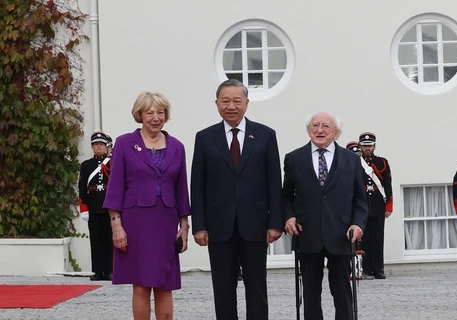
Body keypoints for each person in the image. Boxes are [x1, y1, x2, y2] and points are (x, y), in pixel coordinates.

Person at [190, 79, 283, 320]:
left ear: (247, 103)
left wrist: (276, 223)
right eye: (225, 101)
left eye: (237, 101)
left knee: (256, 289)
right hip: (218, 227)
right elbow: (197, 185)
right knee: (223, 290)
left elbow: (274, 182)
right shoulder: (204, 137)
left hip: (256, 225)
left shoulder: (265, 135)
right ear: (217, 104)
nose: (231, 106)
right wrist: (199, 226)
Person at [103, 91, 190, 320]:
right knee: (141, 283)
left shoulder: (177, 147)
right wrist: (116, 225)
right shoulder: (124, 143)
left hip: (166, 222)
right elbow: (115, 188)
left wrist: (184, 226)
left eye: (160, 112)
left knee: (165, 282)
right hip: (135, 222)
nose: (155, 117)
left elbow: (182, 190)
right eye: (149, 113)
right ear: (139, 115)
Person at [283, 111, 368, 320]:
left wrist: (357, 225)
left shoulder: (351, 160)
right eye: (315, 125)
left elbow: (360, 200)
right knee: (311, 292)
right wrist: (288, 217)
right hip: (307, 233)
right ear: (308, 130)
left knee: (342, 291)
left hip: (341, 234)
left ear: (336, 132)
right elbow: (285, 197)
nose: (319, 130)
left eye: (326, 126)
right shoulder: (294, 158)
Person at [78, 131, 113, 281]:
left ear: (106, 147)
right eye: (96, 144)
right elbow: (81, 188)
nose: (99, 146)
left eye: (101, 144)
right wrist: (84, 208)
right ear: (92, 146)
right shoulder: (86, 165)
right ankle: (98, 271)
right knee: (96, 240)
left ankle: (110, 270)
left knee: (109, 240)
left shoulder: (112, 163)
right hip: (93, 206)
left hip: (109, 207)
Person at [358, 132, 393, 280]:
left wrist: (388, 206)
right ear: (360, 146)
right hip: (362, 203)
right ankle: (366, 269)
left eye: (370, 145)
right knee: (364, 238)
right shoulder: (354, 162)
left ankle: (379, 269)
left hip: (378, 203)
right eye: (365, 145)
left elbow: (387, 184)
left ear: (374, 146)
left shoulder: (382, 162)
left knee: (378, 237)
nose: (367, 148)